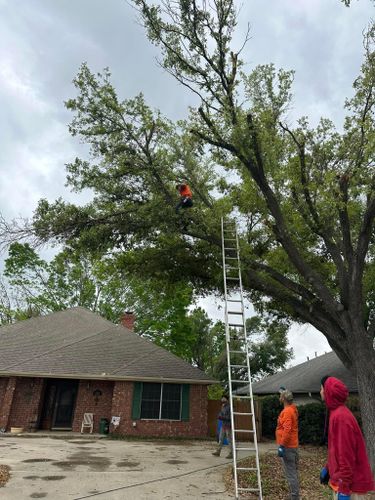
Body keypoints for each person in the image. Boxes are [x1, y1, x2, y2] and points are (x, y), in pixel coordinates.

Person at [319, 376, 375, 500]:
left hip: (351, 487)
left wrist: (344, 489)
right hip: (342, 483)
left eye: (322, 388)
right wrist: (328, 467)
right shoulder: (336, 413)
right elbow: (337, 449)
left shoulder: (341, 418)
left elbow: (346, 456)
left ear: (327, 391)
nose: (320, 391)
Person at [276, 388, 300, 499]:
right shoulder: (292, 409)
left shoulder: (287, 411)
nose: (279, 397)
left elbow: (287, 429)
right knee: (293, 472)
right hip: (292, 445)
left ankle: (294, 497)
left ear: (284, 399)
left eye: (281, 395)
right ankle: (293, 495)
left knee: (291, 474)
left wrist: (282, 445)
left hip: (288, 447)